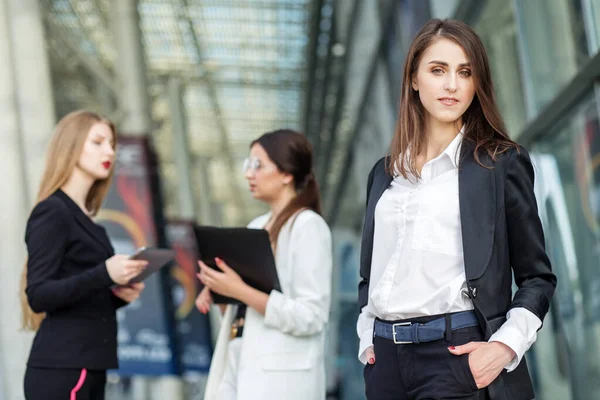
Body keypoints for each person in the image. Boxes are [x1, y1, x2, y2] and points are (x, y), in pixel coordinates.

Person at [356, 19, 556, 400]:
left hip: (458, 356)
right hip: (384, 363)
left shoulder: (499, 164)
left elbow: (537, 278)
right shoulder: (383, 175)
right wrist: (367, 337)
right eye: (437, 70)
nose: (452, 85)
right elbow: (371, 276)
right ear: (413, 79)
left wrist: (504, 348)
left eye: (465, 72)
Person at [195, 129, 333, 400]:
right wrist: (220, 291)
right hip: (241, 360)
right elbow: (246, 312)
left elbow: (311, 316)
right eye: (248, 165)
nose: (249, 173)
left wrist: (238, 290)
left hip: (282, 379)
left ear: (286, 173)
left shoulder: (308, 227)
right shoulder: (256, 227)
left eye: (258, 165)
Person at [21, 110, 148, 400]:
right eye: (98, 142)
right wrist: (105, 274)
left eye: (112, 144)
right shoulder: (52, 212)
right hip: (64, 367)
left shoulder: (93, 227)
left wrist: (116, 296)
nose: (110, 151)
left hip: (91, 365)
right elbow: (39, 295)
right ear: (71, 146)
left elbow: (79, 296)